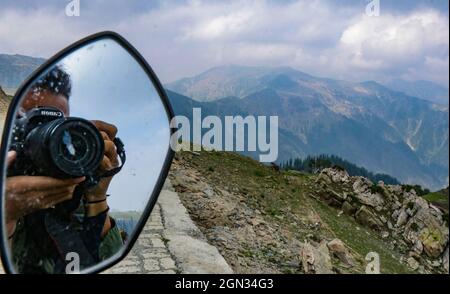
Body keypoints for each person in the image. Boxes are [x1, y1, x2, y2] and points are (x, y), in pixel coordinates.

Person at [5, 66, 123, 273]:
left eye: (57, 124)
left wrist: (96, 196)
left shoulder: (70, 191)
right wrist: (5, 216)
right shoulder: (7, 190)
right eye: (29, 124)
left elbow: (102, 263)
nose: (45, 136)